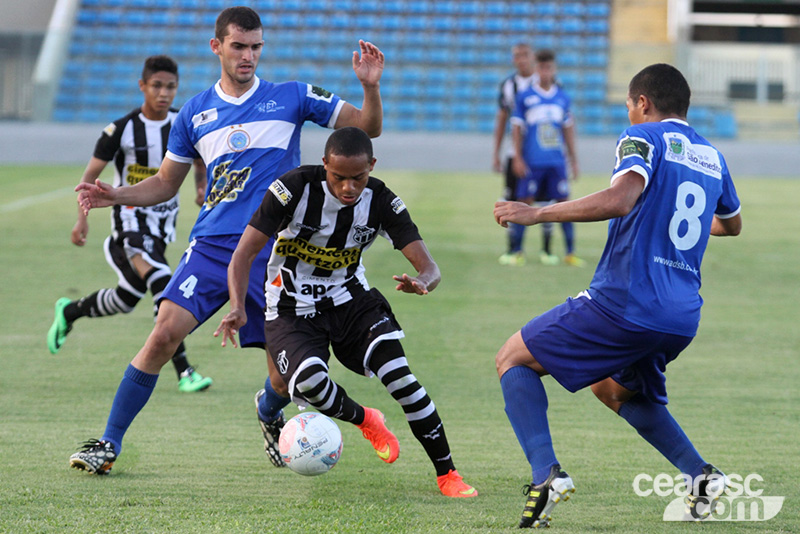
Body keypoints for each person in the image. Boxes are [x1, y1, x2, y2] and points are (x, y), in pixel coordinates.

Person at [68, 6, 384, 475]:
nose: (248, 56)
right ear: (217, 46)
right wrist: (114, 194)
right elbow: (164, 184)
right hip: (213, 246)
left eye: (256, 47)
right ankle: (108, 443)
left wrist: (370, 86)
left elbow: (367, 127)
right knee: (163, 335)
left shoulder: (294, 96)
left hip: (277, 254)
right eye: (239, 46)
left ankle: (268, 411)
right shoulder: (194, 112)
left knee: (285, 377)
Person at [493, 63, 742, 528]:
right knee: (613, 390)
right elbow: (730, 224)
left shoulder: (642, 137)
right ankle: (700, 475)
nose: (629, 112)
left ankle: (545, 474)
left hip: (626, 303)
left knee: (512, 358)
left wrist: (538, 213)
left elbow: (620, 199)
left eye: (630, 105)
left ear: (642, 103)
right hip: (681, 316)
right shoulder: (712, 156)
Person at [214, 126, 478, 498]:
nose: (349, 187)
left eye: (358, 177)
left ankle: (448, 474)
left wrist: (424, 281)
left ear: (371, 166)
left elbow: (430, 267)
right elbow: (243, 254)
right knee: (308, 385)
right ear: (325, 165)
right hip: (291, 307)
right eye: (339, 177)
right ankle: (366, 419)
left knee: (403, 380)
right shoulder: (293, 189)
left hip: (350, 300)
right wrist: (239, 307)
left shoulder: (382, 200)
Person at [47, 55, 212, 392]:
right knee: (162, 281)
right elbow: (90, 176)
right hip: (129, 218)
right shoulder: (120, 130)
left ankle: (71, 312)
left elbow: (199, 160)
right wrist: (83, 219)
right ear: (142, 86)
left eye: (170, 87)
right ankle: (184, 370)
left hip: (163, 222)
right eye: (157, 86)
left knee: (127, 297)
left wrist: (200, 187)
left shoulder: (183, 123)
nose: (164, 93)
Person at [508, 49, 583, 267]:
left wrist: (573, 159)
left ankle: (570, 252)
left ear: (554, 69)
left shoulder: (562, 97)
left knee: (564, 204)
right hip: (533, 162)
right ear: (536, 69)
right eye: (541, 67)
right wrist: (518, 157)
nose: (545, 72)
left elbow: (568, 129)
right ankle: (517, 251)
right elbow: (516, 128)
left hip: (556, 162)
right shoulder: (526, 97)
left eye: (548, 67)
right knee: (525, 202)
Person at [492, 43, 537, 266]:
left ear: (533, 57)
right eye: (516, 56)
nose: (520, 59)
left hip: (540, 155)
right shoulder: (509, 85)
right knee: (511, 199)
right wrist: (496, 153)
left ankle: (547, 249)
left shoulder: (545, 83)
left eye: (524, 54)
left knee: (544, 201)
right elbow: (502, 119)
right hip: (514, 153)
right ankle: (513, 249)